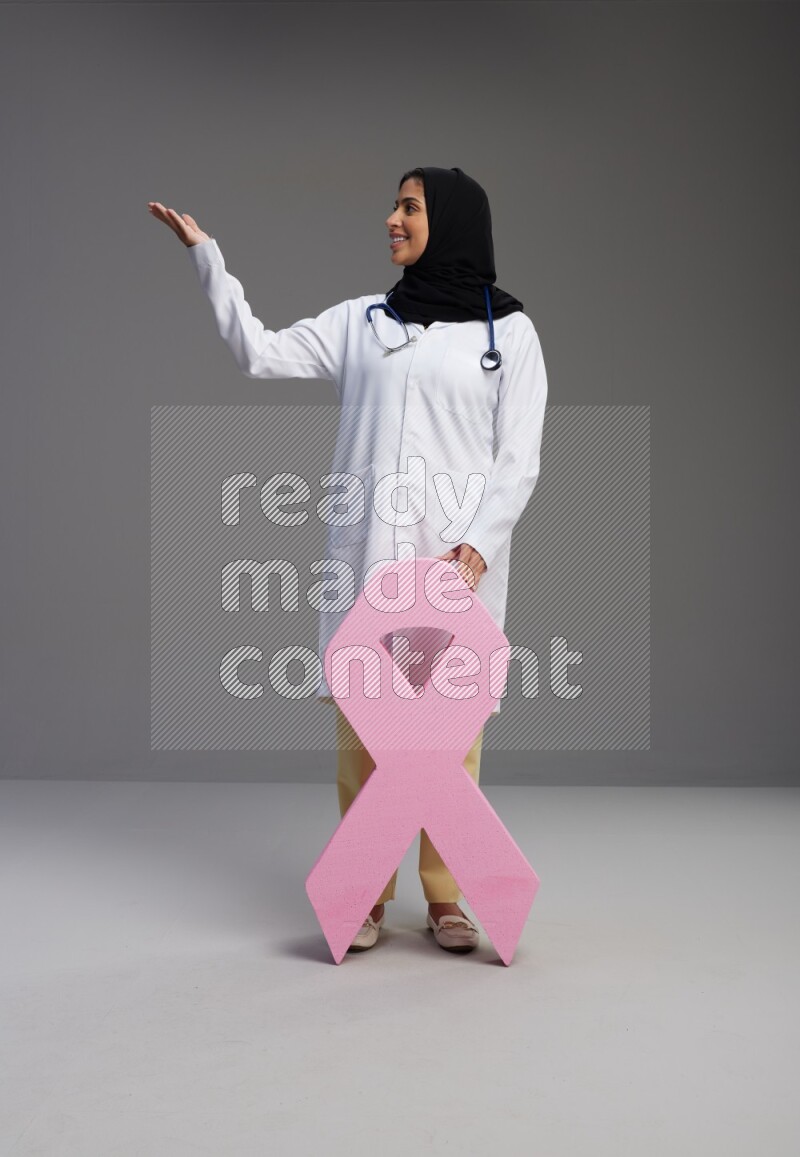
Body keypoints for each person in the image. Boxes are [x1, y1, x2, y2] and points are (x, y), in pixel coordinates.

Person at [147, 166, 548, 955]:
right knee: (363, 739)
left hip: (453, 569)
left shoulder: (510, 336)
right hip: (366, 564)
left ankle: (446, 897)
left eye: (410, 207)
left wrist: (474, 547)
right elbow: (259, 352)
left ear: (455, 222)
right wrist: (207, 256)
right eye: (395, 206)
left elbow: (520, 459)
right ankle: (362, 894)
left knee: (449, 744)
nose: (391, 219)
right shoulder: (361, 322)